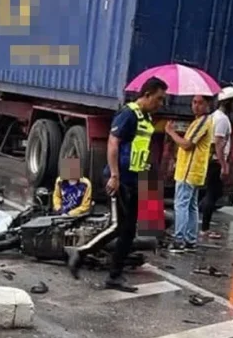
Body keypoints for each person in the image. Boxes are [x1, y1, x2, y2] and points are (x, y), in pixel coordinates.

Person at [69, 76, 168, 290]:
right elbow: (113, 143)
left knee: (129, 231)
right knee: (117, 226)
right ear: (147, 94)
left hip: (135, 179)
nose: (161, 103)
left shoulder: (146, 118)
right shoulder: (128, 114)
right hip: (119, 179)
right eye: (159, 98)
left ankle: (115, 276)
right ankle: (81, 252)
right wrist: (114, 175)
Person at [165, 95, 213, 253]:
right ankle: (190, 240)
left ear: (208, 104)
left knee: (181, 205)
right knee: (191, 206)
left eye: (200, 103)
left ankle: (179, 240)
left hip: (189, 172)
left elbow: (187, 144)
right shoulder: (198, 121)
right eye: (194, 102)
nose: (196, 106)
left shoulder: (203, 122)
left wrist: (171, 133)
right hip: (191, 170)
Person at [201, 87, 233, 239]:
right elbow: (218, 143)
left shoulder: (215, 116)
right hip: (216, 160)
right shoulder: (222, 120)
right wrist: (224, 165)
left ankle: (202, 225)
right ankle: (205, 228)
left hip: (212, 159)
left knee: (214, 192)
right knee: (212, 194)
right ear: (228, 102)